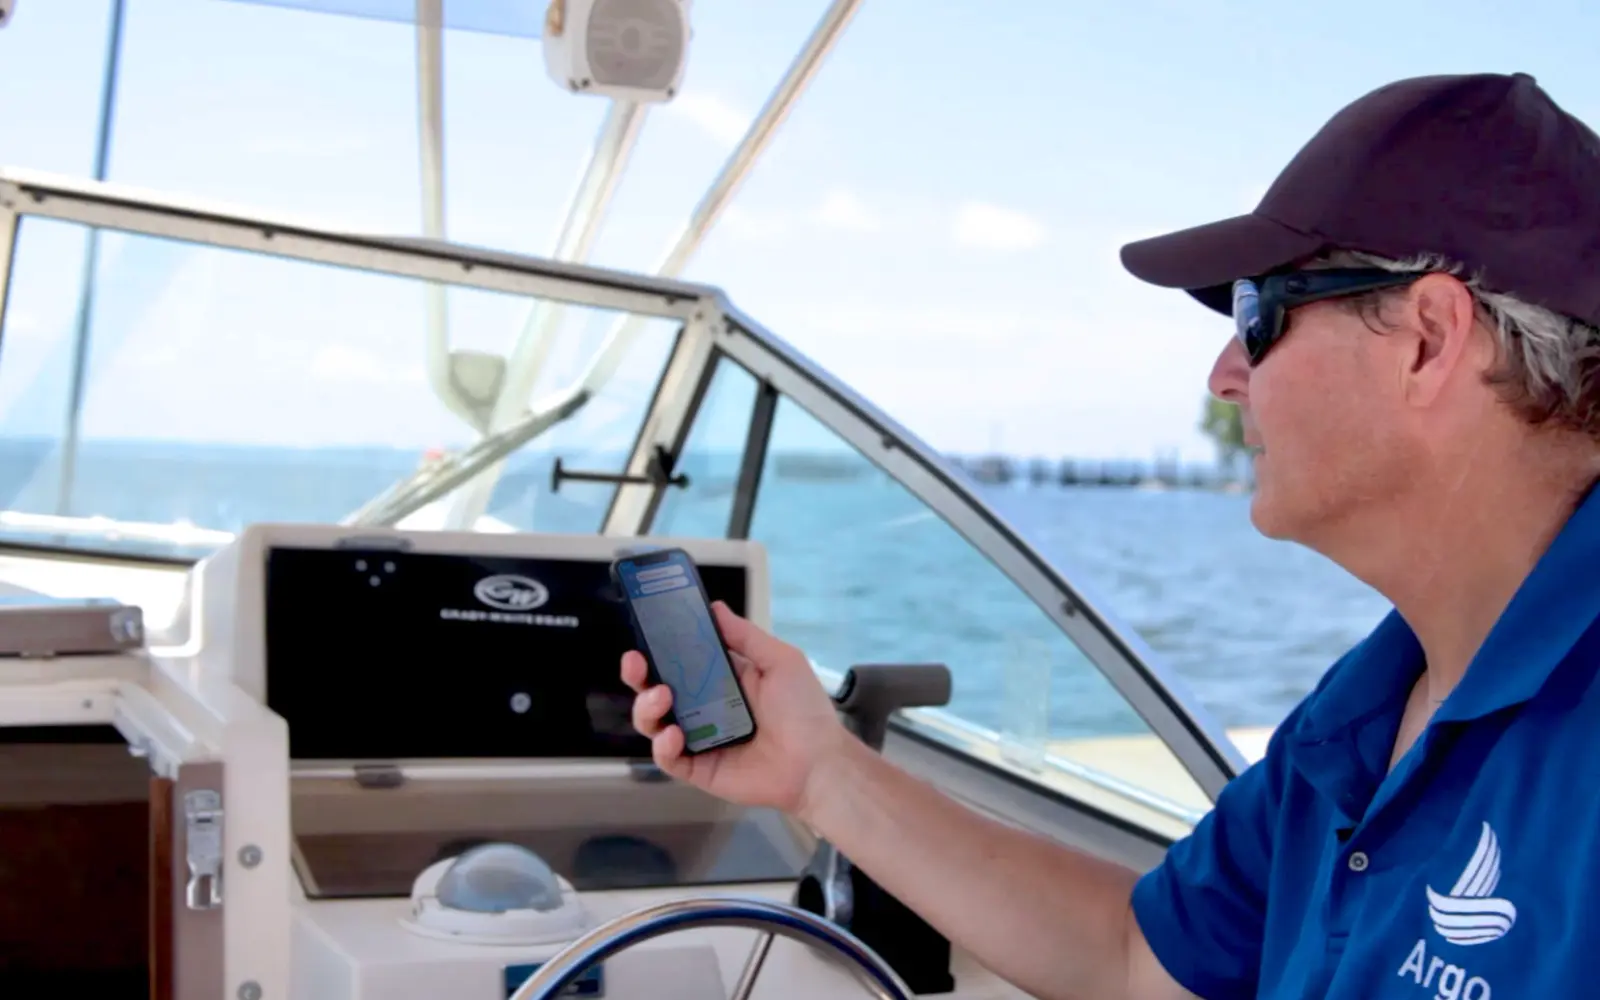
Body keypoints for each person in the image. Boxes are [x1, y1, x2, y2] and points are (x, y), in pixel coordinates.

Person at [622, 70, 1600, 1000]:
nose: (1224, 374)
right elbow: (1136, 958)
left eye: (1258, 313)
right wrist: (820, 770)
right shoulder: (1369, 707)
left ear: (1427, 340)